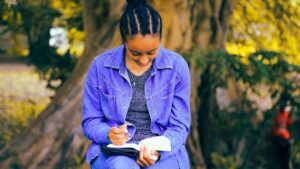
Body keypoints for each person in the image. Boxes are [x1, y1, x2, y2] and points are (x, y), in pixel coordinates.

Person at [81, 0, 191, 169]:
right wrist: (108, 134)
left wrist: (157, 150)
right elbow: (91, 121)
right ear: (124, 40)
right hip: (115, 153)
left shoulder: (177, 67)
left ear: (160, 39)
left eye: (151, 52)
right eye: (135, 53)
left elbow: (179, 126)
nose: (144, 60)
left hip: (163, 153)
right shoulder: (100, 66)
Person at [271, 102, 293, 169]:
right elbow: (274, 126)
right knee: (281, 155)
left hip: (284, 137)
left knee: (285, 154)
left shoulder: (286, 115)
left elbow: (289, 122)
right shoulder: (277, 116)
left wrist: (290, 116)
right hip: (279, 137)